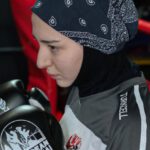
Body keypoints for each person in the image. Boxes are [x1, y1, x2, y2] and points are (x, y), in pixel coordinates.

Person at [31, 0, 150, 150]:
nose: (40, 62)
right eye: (38, 43)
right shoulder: (85, 82)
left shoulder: (129, 126)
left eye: (53, 47)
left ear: (93, 44)